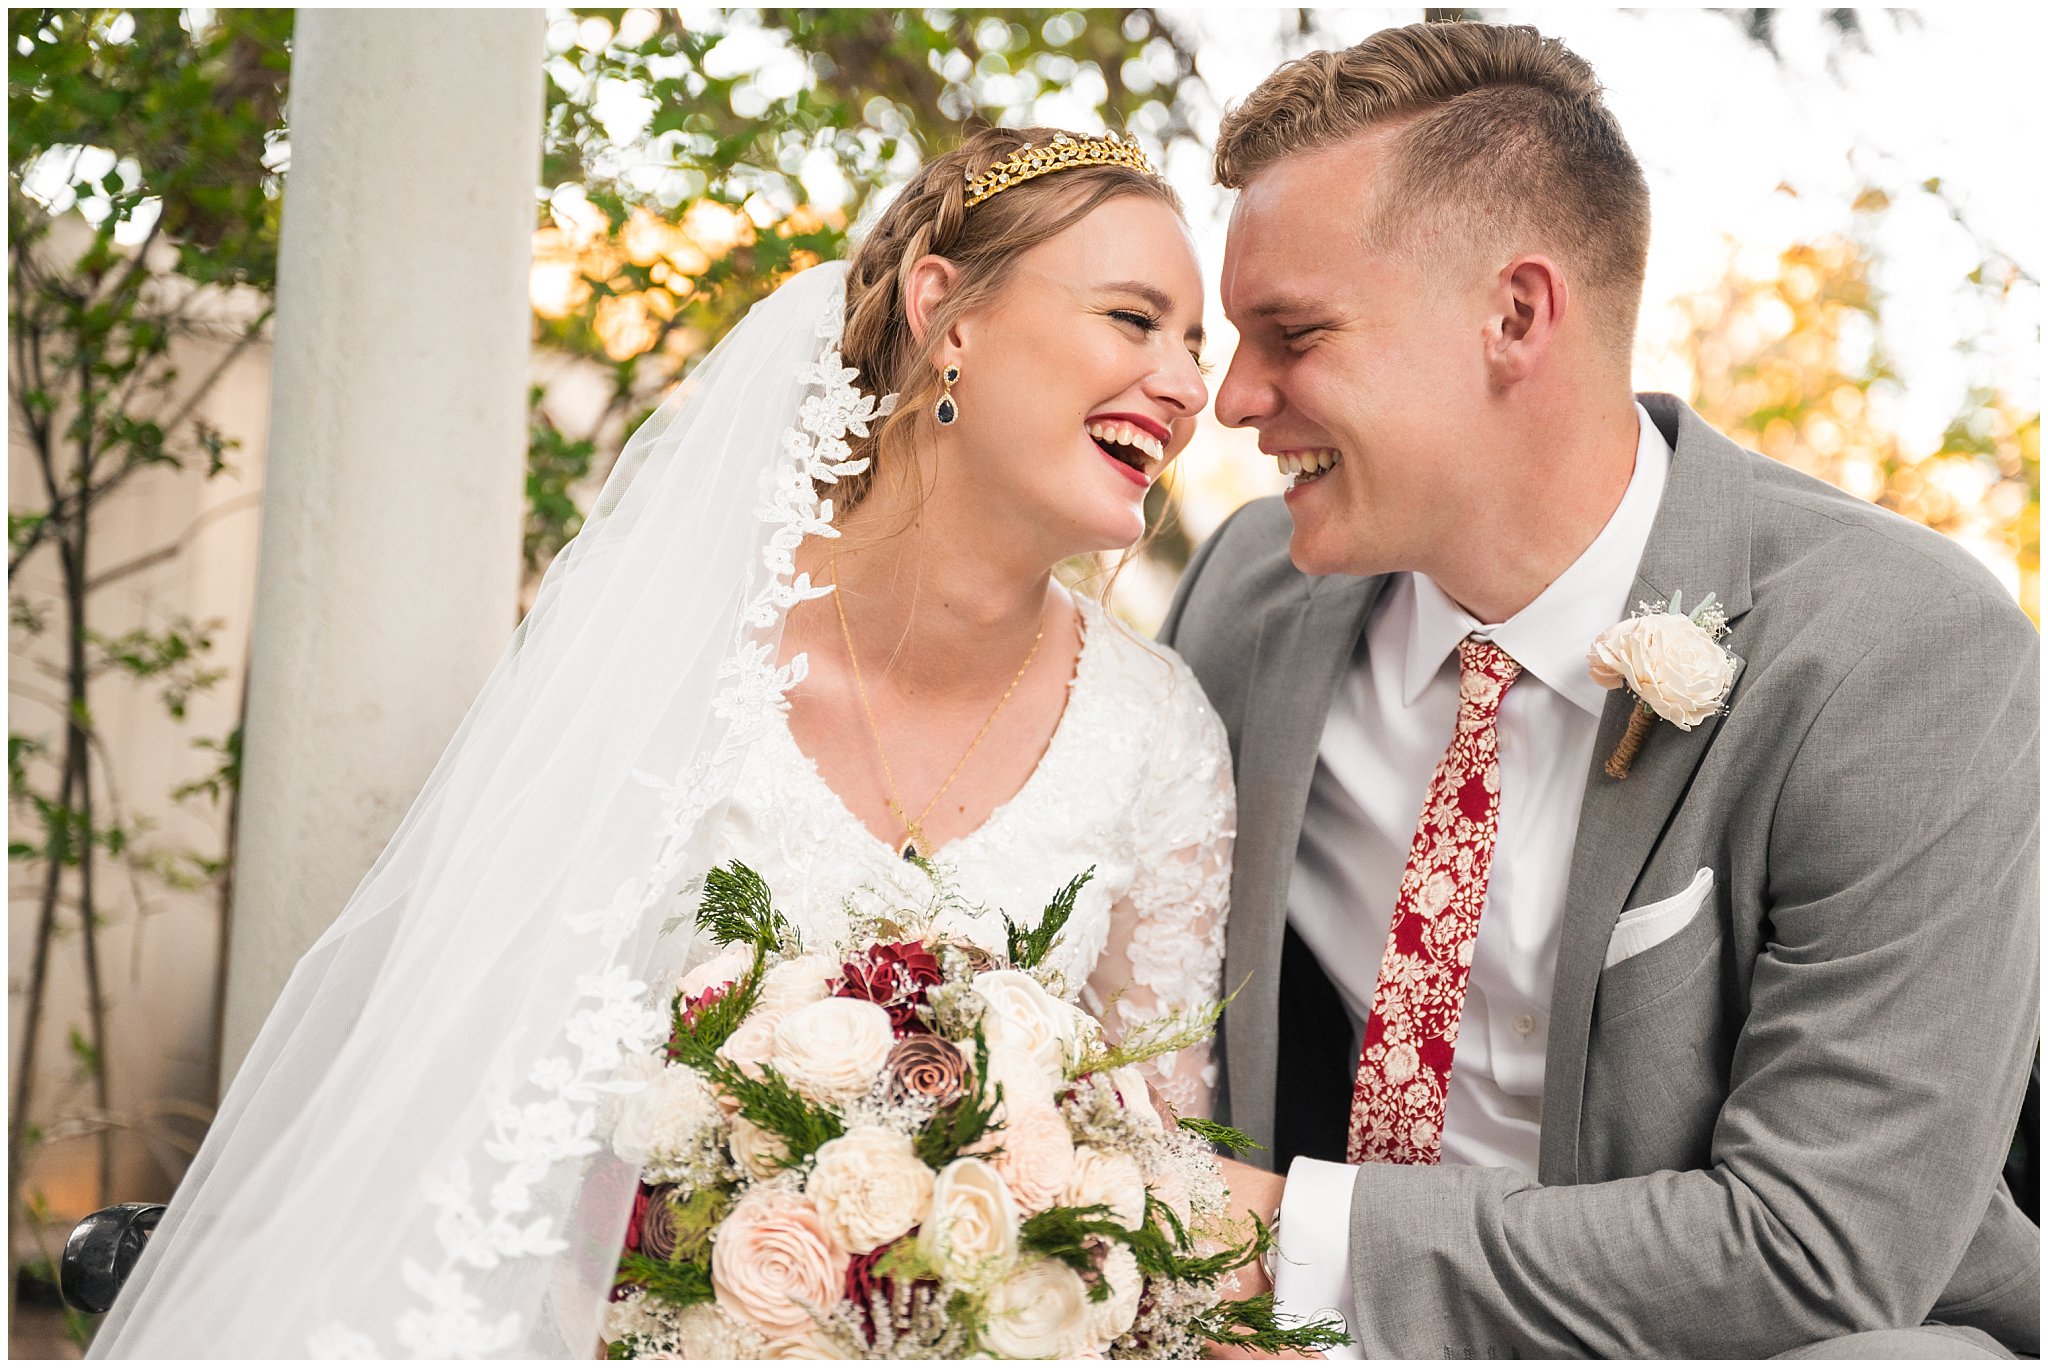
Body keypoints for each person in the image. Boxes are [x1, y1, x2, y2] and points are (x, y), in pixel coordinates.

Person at [90, 127, 1233, 1357]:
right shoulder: (675, 639)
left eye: (1195, 346)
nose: (1183, 386)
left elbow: (1161, 1181)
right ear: (945, 314)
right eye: (1133, 319)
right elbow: (477, 1089)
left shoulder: (1155, 732)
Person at [1160, 20, 2038, 1360]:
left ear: (1515, 315)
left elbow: (1819, 1253)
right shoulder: (1247, 597)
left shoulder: (1898, 652)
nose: (1231, 398)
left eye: (1294, 333)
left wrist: (1287, 1242)